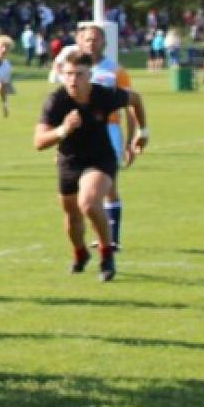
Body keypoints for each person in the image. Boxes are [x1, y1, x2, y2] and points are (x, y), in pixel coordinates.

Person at [33, 49, 148, 282]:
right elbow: (38, 142)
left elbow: (135, 99)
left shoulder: (104, 95)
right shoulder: (56, 102)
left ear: (89, 76)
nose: (73, 80)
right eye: (68, 74)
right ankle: (80, 252)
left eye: (79, 74)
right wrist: (63, 130)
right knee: (72, 217)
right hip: (69, 160)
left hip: (100, 158)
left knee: (89, 203)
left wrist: (142, 131)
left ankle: (106, 255)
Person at [65, 24, 137, 251]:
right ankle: (97, 232)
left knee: (108, 186)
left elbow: (130, 106)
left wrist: (132, 139)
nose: (91, 43)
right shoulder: (70, 69)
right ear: (79, 41)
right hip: (77, 134)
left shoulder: (115, 71)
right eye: (87, 39)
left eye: (95, 39)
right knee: (77, 190)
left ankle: (111, 238)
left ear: (104, 42)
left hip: (108, 131)